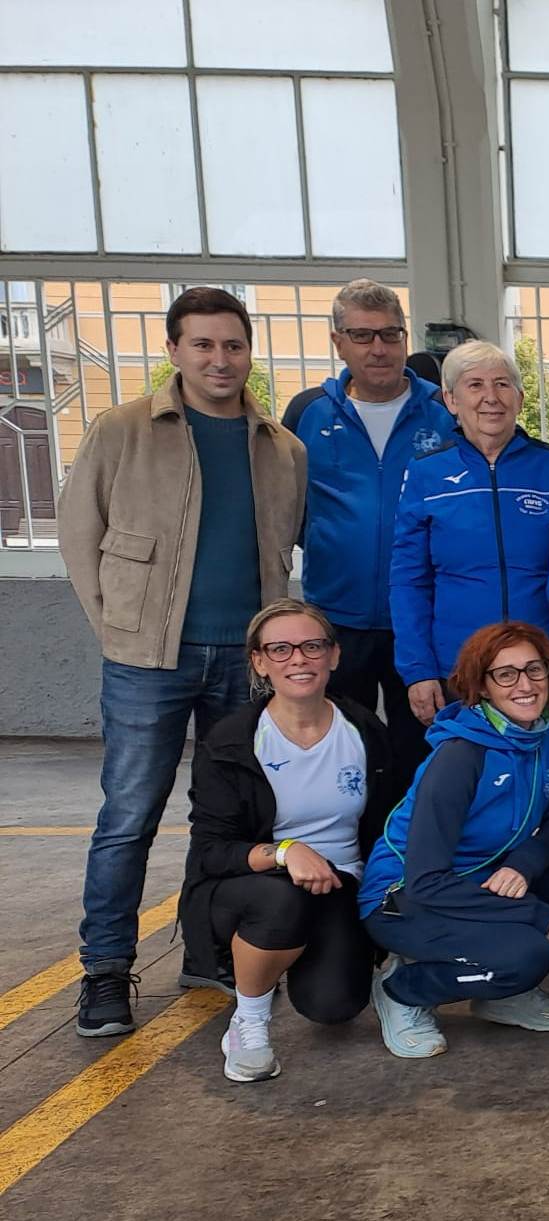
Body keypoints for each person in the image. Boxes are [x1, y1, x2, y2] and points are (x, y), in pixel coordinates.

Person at [58, 287, 307, 1038]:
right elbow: (80, 534)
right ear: (173, 350)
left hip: (244, 664)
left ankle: (207, 950)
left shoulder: (282, 448)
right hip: (148, 663)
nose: (219, 359)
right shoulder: (123, 430)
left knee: (228, 817)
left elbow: (284, 546)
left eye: (233, 345)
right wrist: (120, 631)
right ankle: (106, 969)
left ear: (249, 352)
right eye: (202, 344)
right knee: (129, 816)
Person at [358, 622, 549, 1058]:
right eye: (505, 674)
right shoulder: (460, 756)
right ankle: (403, 989)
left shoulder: (548, 738)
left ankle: (501, 994)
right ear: (482, 687)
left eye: (534, 669)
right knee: (526, 956)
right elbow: (425, 880)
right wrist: (532, 912)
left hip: (485, 877)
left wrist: (524, 864)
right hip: (405, 897)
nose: (525, 685)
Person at [180, 600, 394, 1081]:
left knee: (333, 1006)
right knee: (282, 901)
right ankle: (248, 1022)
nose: (298, 659)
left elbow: (387, 825)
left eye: (312, 646)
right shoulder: (232, 741)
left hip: (340, 884)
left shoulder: (364, 731)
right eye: (280, 649)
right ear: (259, 662)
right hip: (253, 886)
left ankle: (311, 950)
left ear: (334, 655)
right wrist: (286, 852)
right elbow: (211, 852)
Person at [283, 280, 453, 799]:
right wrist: (330, 546)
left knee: (419, 751)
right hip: (337, 617)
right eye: (362, 335)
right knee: (341, 751)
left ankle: (407, 847)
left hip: (420, 620)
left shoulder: (444, 411)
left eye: (390, 334)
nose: (378, 348)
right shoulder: (308, 412)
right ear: (338, 342)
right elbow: (287, 504)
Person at [390, 340, 549, 726]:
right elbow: (408, 580)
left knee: (546, 762)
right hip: (459, 668)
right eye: (475, 385)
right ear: (451, 400)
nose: (491, 397)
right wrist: (418, 669)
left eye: (502, 384)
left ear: (520, 398)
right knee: (467, 763)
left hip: (540, 667)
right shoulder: (427, 473)